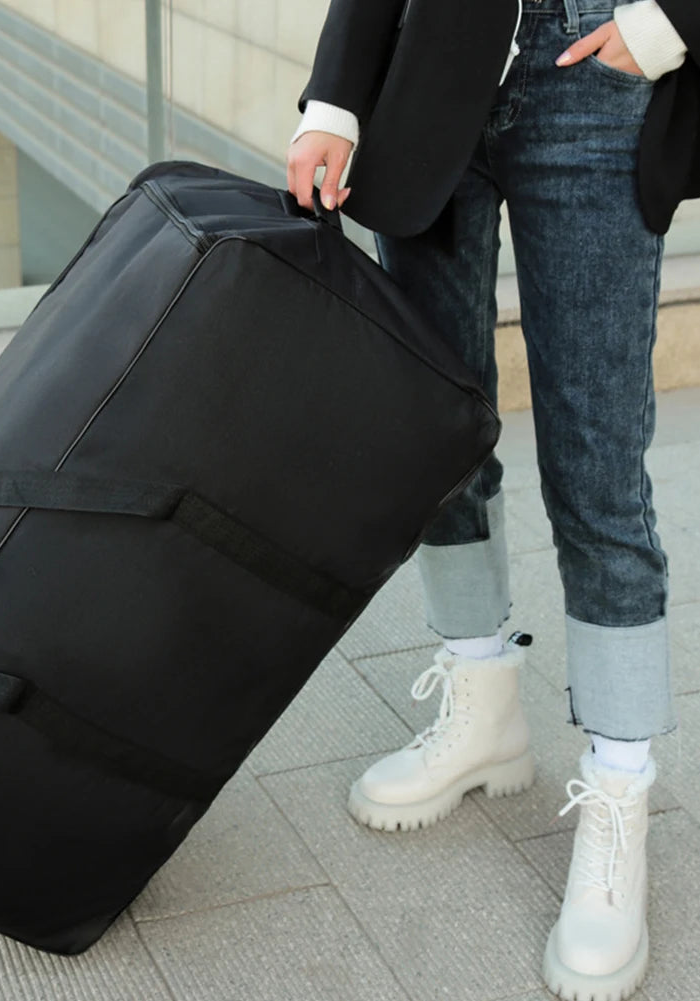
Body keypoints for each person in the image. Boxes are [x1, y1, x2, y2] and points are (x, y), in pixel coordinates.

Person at [287, 2, 699, 999]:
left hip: (601, 73)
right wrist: (336, 97)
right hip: (429, 82)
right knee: (436, 432)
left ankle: (615, 789)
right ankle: (481, 705)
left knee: (595, 467)